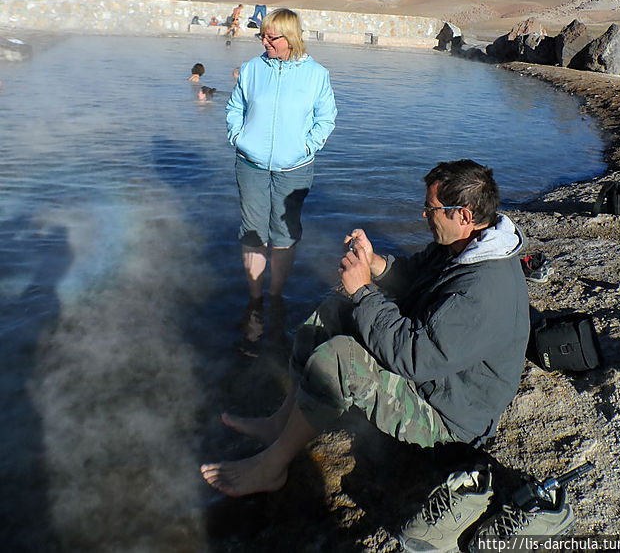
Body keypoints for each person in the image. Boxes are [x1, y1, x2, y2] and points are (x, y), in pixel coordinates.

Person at [201, 159, 530, 503]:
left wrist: (364, 291)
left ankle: (273, 467)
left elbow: (412, 357)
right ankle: (281, 422)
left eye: (430, 208)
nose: (423, 215)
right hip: (438, 378)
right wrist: (374, 262)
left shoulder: (479, 290)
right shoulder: (466, 246)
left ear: (463, 215)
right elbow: (414, 275)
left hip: (450, 415)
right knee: (332, 312)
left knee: (339, 359)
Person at [225, 8, 337, 300]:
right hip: (250, 164)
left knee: (285, 234)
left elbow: (326, 118)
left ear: (290, 38)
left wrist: (306, 147)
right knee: (253, 232)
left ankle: (274, 296)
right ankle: (255, 299)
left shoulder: (316, 74)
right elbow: (235, 108)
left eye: (271, 37)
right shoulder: (251, 69)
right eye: (262, 36)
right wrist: (238, 137)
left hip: (295, 168)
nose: (265, 42)